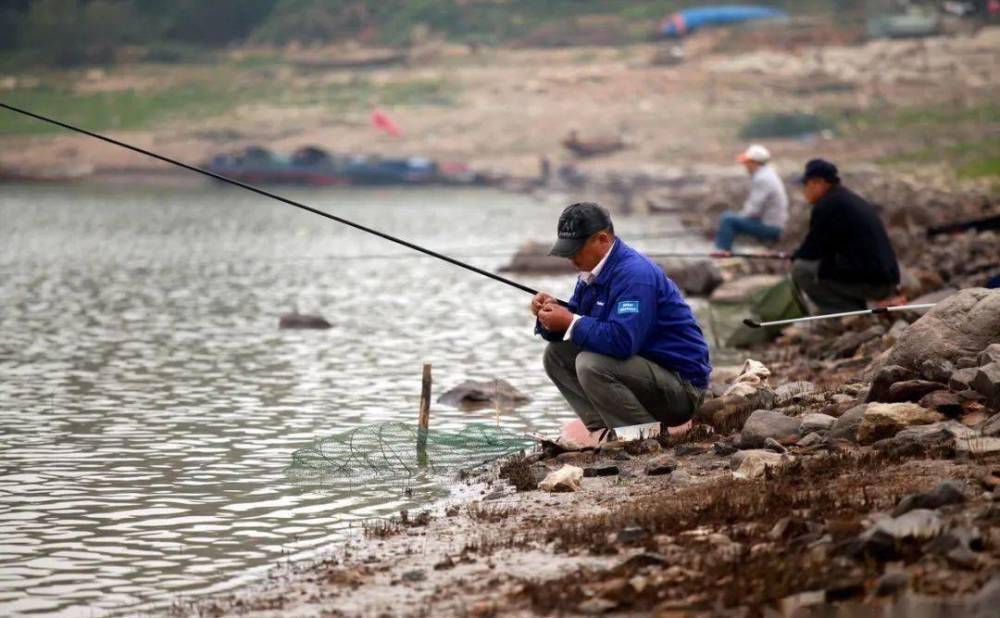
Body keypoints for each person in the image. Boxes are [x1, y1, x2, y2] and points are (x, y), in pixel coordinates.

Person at [531, 202, 711, 443]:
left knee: (590, 363)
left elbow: (622, 341)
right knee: (556, 354)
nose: (570, 257)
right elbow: (582, 320)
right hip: (645, 374)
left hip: (681, 389)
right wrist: (551, 316)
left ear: (602, 239)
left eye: (576, 249)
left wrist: (569, 321)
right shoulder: (592, 272)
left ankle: (643, 436)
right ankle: (603, 432)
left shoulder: (635, 275)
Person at [791, 159, 900, 314]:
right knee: (822, 267)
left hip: (876, 283)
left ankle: (847, 314)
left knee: (801, 270)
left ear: (818, 182)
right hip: (886, 278)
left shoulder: (828, 205)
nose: (804, 191)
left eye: (806, 185)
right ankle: (853, 310)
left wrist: (795, 256)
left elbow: (811, 251)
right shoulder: (845, 199)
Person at [714, 144, 789, 252]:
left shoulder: (762, 179)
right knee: (732, 218)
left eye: (747, 162)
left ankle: (722, 252)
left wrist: (739, 218)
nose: (745, 165)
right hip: (774, 224)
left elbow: (752, 210)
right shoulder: (768, 174)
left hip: (771, 227)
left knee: (727, 219)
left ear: (754, 162)